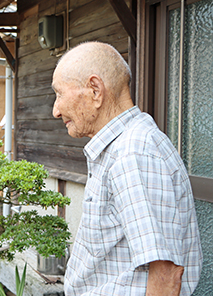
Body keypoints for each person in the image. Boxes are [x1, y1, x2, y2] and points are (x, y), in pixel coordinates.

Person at [52, 41, 202, 295]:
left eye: (59, 94)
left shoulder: (132, 153)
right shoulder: (124, 147)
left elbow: (166, 276)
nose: (56, 110)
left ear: (95, 90)